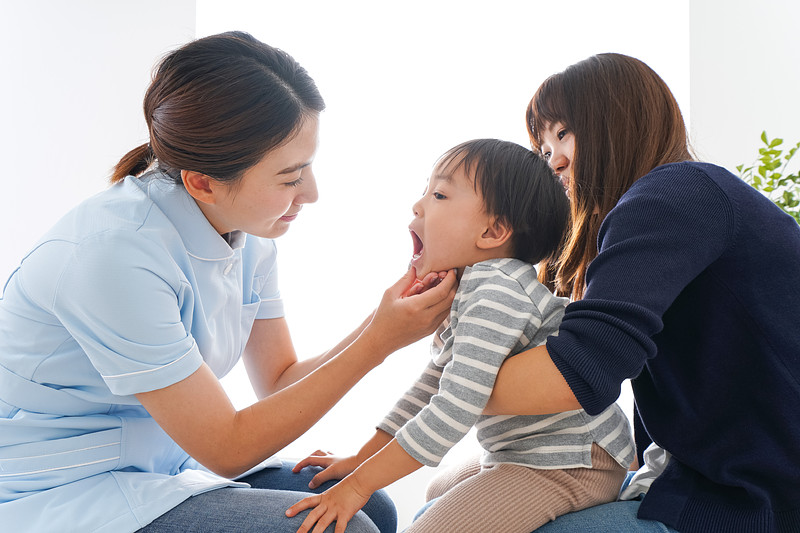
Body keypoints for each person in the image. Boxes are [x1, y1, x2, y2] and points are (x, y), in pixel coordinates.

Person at [0, 31, 457, 533]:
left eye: (309, 166)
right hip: (58, 488)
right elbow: (228, 449)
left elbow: (278, 380)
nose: (313, 192)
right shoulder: (112, 256)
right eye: (289, 177)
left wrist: (384, 318)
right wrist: (379, 341)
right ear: (203, 181)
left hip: (157, 466)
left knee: (371, 505)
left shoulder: (248, 233)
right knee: (340, 529)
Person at [479, 53, 800, 533]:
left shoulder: (673, 194)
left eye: (563, 133)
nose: (555, 161)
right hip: (731, 479)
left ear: (618, 120)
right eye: (544, 149)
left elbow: (578, 371)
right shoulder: (676, 198)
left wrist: (453, 391)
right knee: (459, 491)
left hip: (756, 499)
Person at [285, 139, 636, 533]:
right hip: (524, 450)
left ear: (493, 231)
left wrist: (358, 486)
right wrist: (361, 460)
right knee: (436, 488)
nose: (418, 206)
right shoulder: (469, 285)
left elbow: (453, 407)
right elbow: (430, 386)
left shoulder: (496, 290)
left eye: (438, 195)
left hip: (568, 460)